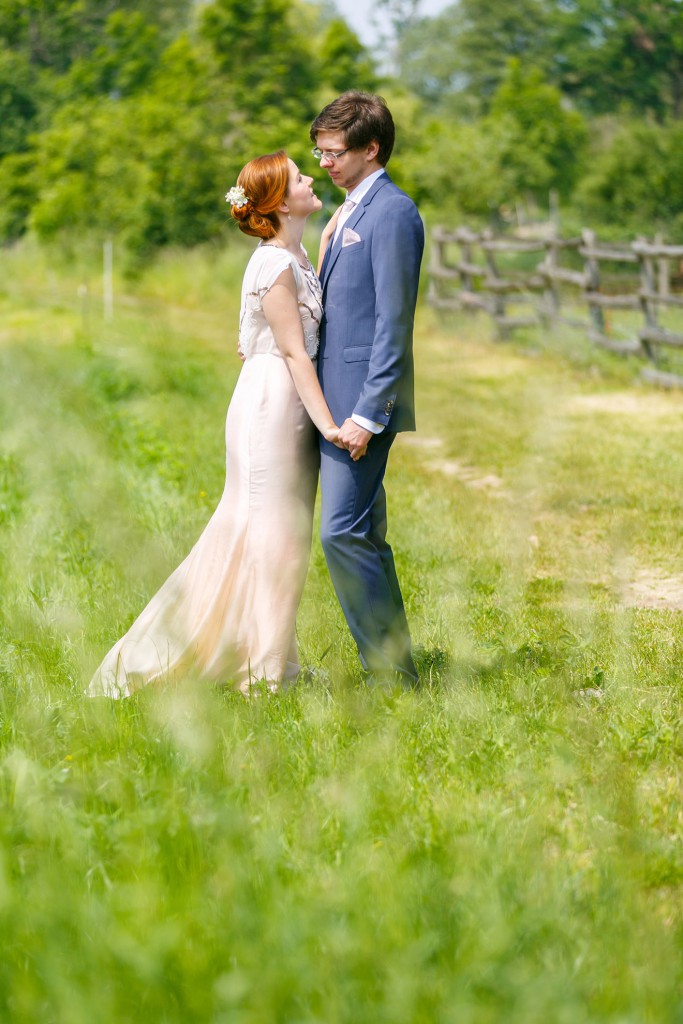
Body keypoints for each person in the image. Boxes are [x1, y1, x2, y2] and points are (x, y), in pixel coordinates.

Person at [88, 150, 343, 698]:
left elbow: (248, 338)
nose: (311, 178)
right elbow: (295, 354)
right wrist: (330, 427)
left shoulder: (294, 253)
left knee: (279, 537)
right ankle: (261, 673)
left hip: (287, 403)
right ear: (278, 202)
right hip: (274, 407)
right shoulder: (273, 264)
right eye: (300, 177)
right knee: (276, 538)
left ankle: (268, 658)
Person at [311, 91, 425, 687]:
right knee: (366, 536)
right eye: (320, 150)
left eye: (333, 152)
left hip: (359, 406)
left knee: (341, 533)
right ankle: (397, 670)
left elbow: (392, 323)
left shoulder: (392, 212)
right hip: (331, 399)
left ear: (370, 148)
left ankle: (387, 674)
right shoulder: (353, 209)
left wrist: (369, 413)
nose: (324, 162)